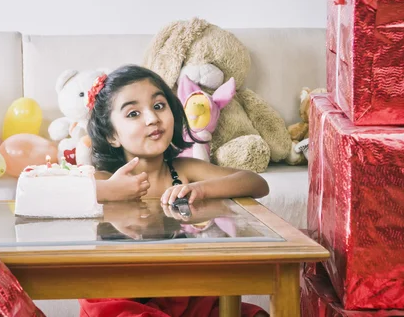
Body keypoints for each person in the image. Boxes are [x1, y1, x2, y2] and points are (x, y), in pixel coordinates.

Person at [80, 65, 270, 317]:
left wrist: (201, 188)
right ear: (112, 135)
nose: (152, 118)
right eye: (134, 113)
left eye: (159, 106)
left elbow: (256, 183)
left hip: (182, 291)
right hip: (120, 295)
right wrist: (106, 190)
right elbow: (49, 197)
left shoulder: (184, 170)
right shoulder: (103, 178)